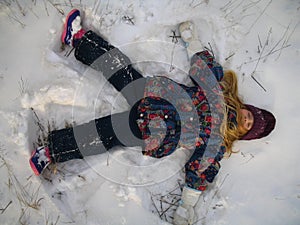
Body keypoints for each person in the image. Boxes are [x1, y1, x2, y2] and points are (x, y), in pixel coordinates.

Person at [29, 9, 276, 225]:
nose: (246, 120)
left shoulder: (217, 143)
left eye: (249, 126)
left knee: (102, 135)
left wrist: (187, 205)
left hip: (154, 131)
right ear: (248, 108)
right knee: (119, 68)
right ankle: (80, 39)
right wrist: (191, 39)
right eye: (251, 116)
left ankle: (51, 152)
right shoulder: (217, 91)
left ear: (244, 134)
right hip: (156, 96)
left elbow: (200, 171)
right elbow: (202, 66)